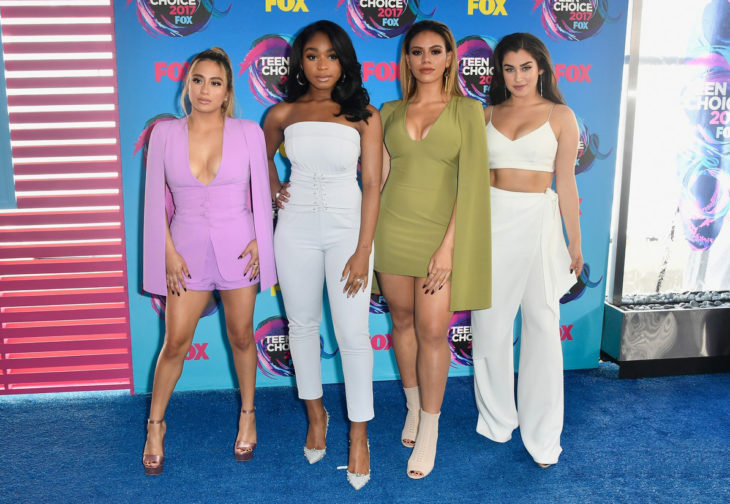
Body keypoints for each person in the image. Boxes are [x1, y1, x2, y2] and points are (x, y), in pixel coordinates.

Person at [141, 48, 275, 475]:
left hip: (239, 248)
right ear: (187, 83)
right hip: (183, 252)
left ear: (227, 91)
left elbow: (261, 193)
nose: (205, 89)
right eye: (198, 79)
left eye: (215, 82)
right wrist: (165, 251)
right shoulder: (163, 134)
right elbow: (154, 204)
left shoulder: (248, 132)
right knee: (176, 342)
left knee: (241, 336)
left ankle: (248, 416)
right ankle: (155, 426)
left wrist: (261, 239)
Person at [263, 20, 381, 490]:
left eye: (331, 56)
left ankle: (359, 433)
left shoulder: (363, 114)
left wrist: (363, 250)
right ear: (299, 62)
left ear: (344, 60)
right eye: (312, 56)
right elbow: (260, 160)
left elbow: (371, 184)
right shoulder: (281, 114)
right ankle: (316, 414)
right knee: (302, 326)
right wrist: (274, 186)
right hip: (294, 230)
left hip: (348, 230)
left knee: (353, 332)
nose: (321, 65)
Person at [374, 20, 491, 479]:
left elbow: (472, 186)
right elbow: (378, 181)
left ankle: (430, 429)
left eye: (435, 51)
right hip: (392, 231)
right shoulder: (387, 111)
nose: (426, 59)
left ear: (449, 58)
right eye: (417, 51)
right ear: (407, 59)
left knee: (432, 332)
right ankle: (412, 405)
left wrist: (448, 248)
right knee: (400, 321)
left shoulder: (469, 111)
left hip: (439, 239)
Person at [471, 32, 583, 469]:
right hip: (491, 224)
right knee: (489, 326)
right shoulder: (485, 114)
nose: (517, 77)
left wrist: (574, 240)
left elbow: (567, 183)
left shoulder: (561, 115)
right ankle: (497, 419)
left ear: (541, 68)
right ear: (499, 72)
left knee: (541, 326)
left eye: (526, 67)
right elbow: (473, 183)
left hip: (538, 223)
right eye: (509, 68)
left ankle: (542, 434)